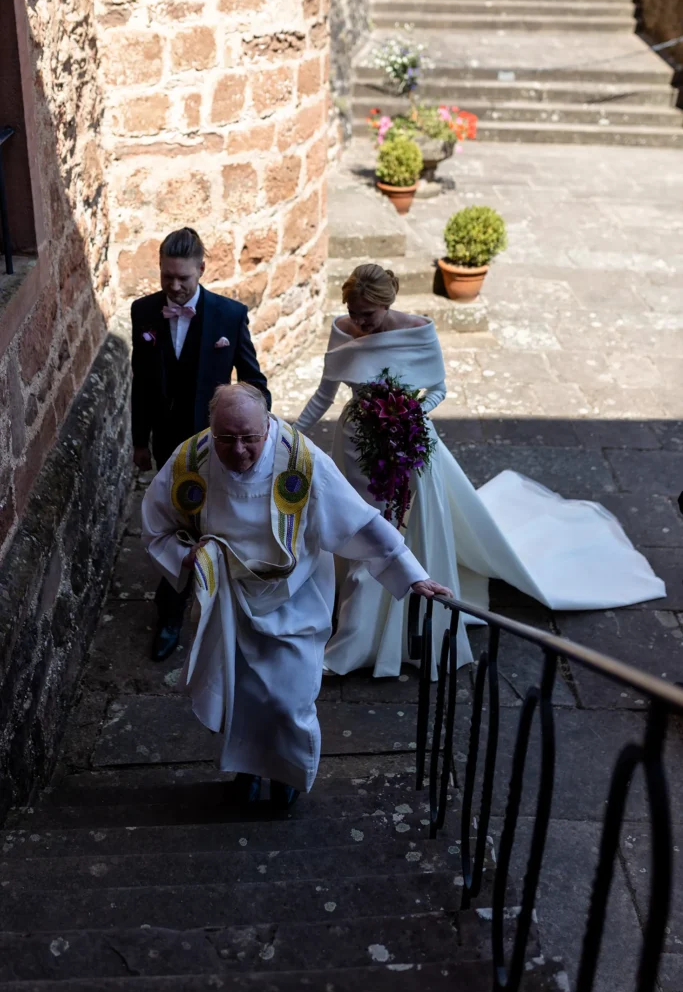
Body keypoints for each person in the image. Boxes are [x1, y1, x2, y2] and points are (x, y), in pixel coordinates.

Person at [293, 263, 666, 678]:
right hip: (355, 447)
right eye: (354, 312)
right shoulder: (343, 329)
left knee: (395, 528)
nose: (359, 323)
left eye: (369, 315)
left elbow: (437, 389)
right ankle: (357, 622)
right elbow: (324, 394)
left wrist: (407, 416)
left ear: (387, 304)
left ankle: (364, 640)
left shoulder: (417, 331)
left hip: (406, 441)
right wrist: (288, 435)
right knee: (356, 528)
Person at [141, 383, 452, 807]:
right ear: (212, 430)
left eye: (250, 438)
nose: (238, 451)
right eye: (226, 438)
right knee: (243, 695)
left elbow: (358, 522)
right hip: (231, 601)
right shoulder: (191, 459)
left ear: (267, 424)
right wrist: (188, 555)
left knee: (289, 699)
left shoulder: (301, 461)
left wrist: (411, 574)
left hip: (295, 597)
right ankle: (248, 771)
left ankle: (286, 775)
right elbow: (157, 525)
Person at [131, 227, 271, 662]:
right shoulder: (143, 312)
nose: (173, 286)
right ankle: (171, 613)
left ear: (201, 271)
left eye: (183, 279)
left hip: (217, 445)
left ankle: (235, 608)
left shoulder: (229, 316)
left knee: (217, 522)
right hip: (166, 444)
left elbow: (255, 383)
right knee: (177, 527)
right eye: (166, 276)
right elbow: (142, 383)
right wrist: (139, 442)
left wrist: (252, 436)